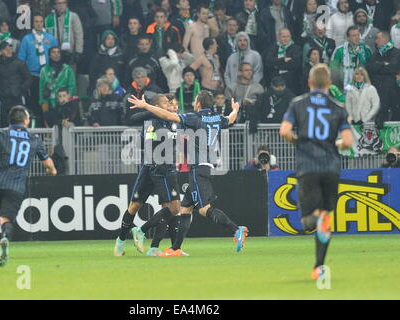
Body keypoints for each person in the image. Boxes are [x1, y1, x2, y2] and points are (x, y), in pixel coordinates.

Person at [127, 90, 249, 256]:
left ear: (198, 103)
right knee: (185, 209)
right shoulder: (218, 118)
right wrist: (235, 109)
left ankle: (236, 230)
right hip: (206, 166)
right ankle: (176, 249)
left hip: (197, 168)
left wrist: (146, 105)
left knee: (204, 209)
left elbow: (169, 116)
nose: (193, 103)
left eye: (195, 100)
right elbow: (231, 119)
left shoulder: (195, 118)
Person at [279, 63, 354, 280]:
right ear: (329, 84)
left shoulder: (297, 104)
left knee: (307, 221)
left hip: (308, 167)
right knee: (325, 216)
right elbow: (348, 141)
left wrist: (297, 141)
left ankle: (312, 221)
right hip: (331, 167)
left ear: (309, 83)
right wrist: (335, 145)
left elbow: (284, 131)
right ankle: (318, 267)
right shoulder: (338, 107)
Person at [0, 105, 57, 271]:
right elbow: (47, 162)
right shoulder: (33, 139)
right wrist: (52, 170)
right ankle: (5, 238)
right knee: (6, 220)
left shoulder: (0, 133)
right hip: (16, 185)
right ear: (26, 121)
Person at [114, 94, 183, 257]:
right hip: (150, 168)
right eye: (166, 103)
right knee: (134, 206)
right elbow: (133, 118)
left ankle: (165, 248)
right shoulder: (150, 120)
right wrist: (146, 107)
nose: (170, 105)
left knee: (169, 207)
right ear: (157, 106)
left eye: (171, 103)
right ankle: (120, 241)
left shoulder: (172, 120)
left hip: (163, 167)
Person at [18, 14, 58, 127]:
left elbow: (55, 56)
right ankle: (37, 127)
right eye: (36, 21)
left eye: (41, 21)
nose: (39, 24)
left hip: (48, 76)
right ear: (33, 23)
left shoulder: (50, 38)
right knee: (35, 103)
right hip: (33, 75)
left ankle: (49, 128)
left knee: (48, 102)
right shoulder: (27, 39)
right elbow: (21, 59)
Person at [0, 41, 32, 128]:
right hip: (3, 100)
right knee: (4, 123)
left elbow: (28, 79)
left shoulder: (20, 63)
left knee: (19, 121)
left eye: (10, 48)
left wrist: (20, 90)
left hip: (17, 98)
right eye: (5, 49)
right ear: (0, 51)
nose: (9, 51)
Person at [366, 31, 400, 124]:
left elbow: (393, 68)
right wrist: (383, 64)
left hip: (394, 93)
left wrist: (379, 66)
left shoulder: (397, 53)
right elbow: (369, 67)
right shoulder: (375, 54)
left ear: (384, 39)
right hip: (378, 91)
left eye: (377, 38)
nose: (375, 41)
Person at [39, 46, 76, 126]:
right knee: (51, 125)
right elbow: (41, 88)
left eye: (58, 52)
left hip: (64, 102)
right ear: (49, 55)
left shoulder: (67, 69)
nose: (56, 54)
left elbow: (72, 86)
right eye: (53, 52)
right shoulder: (44, 70)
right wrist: (43, 103)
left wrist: (67, 99)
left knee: (65, 124)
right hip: (50, 103)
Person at [330, 26, 372, 91]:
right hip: (343, 87)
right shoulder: (339, 50)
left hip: (363, 88)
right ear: (348, 38)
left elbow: (370, 69)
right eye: (354, 35)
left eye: (358, 35)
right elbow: (333, 71)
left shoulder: (366, 50)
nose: (357, 37)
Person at [45, 0, 83, 69]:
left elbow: (79, 35)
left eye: (63, 3)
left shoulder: (73, 16)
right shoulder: (48, 19)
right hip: (54, 54)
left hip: (70, 54)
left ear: (66, 4)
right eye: (58, 3)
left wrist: (78, 52)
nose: (61, 5)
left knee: (69, 76)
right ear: (54, 5)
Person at [264, 28, 303, 94]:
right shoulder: (273, 48)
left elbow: (295, 64)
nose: (286, 39)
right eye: (283, 37)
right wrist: (283, 60)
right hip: (275, 81)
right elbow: (268, 62)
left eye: (288, 36)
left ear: (290, 37)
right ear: (279, 37)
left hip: (291, 82)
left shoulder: (296, 48)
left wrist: (276, 66)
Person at [88, 30, 124, 95]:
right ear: (104, 40)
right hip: (100, 88)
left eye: (112, 39)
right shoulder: (97, 56)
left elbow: (124, 75)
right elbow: (92, 74)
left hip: (118, 89)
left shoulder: (121, 56)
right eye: (108, 38)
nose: (110, 41)